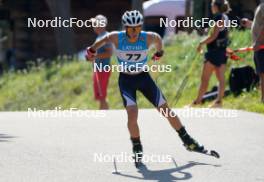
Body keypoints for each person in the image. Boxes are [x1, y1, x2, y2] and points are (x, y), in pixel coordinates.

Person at [86, 10, 205, 160]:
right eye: (131, 28)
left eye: (138, 27)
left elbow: (158, 39)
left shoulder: (147, 37)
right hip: (126, 81)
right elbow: (104, 39)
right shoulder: (117, 37)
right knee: (132, 113)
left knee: (165, 110)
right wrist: (91, 50)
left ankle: (187, 140)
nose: (135, 31)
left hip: (144, 78)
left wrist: (160, 52)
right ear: (126, 28)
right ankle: (137, 146)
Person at [191, 0, 231, 108]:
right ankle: (218, 102)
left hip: (214, 52)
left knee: (205, 79)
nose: (211, 7)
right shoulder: (226, 17)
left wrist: (201, 43)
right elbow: (225, 35)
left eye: (212, 5)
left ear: (216, 6)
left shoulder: (218, 17)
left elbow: (214, 36)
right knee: (221, 78)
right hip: (222, 51)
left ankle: (197, 102)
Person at [88, 15, 112, 109]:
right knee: (99, 95)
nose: (94, 26)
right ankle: (103, 113)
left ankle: (104, 115)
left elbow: (109, 53)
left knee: (102, 95)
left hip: (103, 68)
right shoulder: (99, 37)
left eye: (95, 24)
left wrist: (95, 56)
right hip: (99, 68)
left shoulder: (106, 37)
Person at [241, 3, 264, 103]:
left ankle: (263, 100)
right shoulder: (261, 5)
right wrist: (249, 23)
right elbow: (259, 25)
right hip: (259, 47)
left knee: (263, 75)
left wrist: (258, 42)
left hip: (261, 47)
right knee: (261, 75)